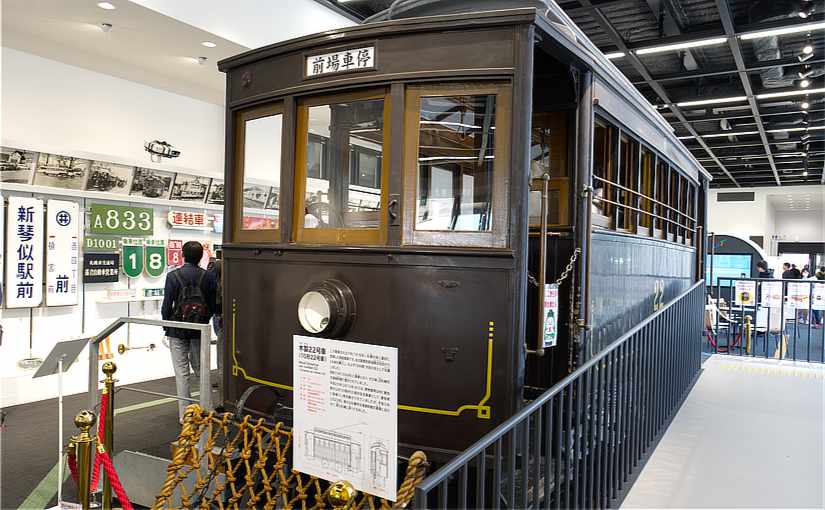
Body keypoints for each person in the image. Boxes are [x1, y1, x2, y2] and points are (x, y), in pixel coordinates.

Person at [161, 241, 218, 422]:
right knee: (202, 370)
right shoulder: (208, 277)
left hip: (176, 330)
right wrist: (203, 320)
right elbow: (212, 304)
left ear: (183, 255)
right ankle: (207, 409)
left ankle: (185, 415)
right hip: (199, 330)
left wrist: (167, 326)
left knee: (182, 372)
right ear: (201, 256)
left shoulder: (172, 276)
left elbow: (166, 306)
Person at [207, 255, 223, 391]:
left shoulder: (214, 282)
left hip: (217, 316)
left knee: (221, 348)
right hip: (223, 316)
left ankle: (221, 379)